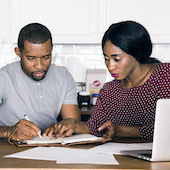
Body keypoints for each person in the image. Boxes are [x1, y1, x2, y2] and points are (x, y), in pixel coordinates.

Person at [58, 20, 170, 140]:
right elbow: (95, 127)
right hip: (121, 156)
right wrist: (73, 125)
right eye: (106, 58)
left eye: (116, 59)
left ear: (136, 52)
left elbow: (165, 129)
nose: (110, 66)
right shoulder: (109, 90)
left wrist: (121, 131)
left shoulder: (165, 75)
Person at [0, 23, 80, 141]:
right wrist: (8, 131)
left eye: (46, 57)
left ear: (52, 49)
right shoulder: (4, 77)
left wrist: (63, 127)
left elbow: (73, 124)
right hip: (9, 147)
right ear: (18, 52)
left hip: (50, 146)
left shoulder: (63, 76)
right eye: (31, 58)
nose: (39, 66)